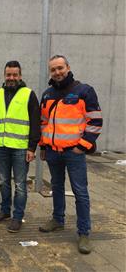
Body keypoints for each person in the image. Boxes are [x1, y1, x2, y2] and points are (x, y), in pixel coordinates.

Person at [39, 55, 102, 254]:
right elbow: (43, 123)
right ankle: (58, 219)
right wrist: (43, 146)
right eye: (53, 70)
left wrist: (82, 146)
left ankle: (84, 233)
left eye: (60, 68)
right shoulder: (48, 95)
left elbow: (95, 122)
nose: (57, 72)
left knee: (80, 192)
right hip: (53, 152)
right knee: (56, 187)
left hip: (74, 153)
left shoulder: (84, 91)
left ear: (68, 67)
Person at [0, 61, 40, 232]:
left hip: (20, 148)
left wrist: (32, 148)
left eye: (14, 75)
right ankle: (5, 211)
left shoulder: (28, 94)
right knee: (3, 182)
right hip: (2, 146)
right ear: (4, 75)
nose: (11, 78)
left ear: (20, 76)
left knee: (20, 184)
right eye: (8, 74)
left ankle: (17, 216)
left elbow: (35, 123)